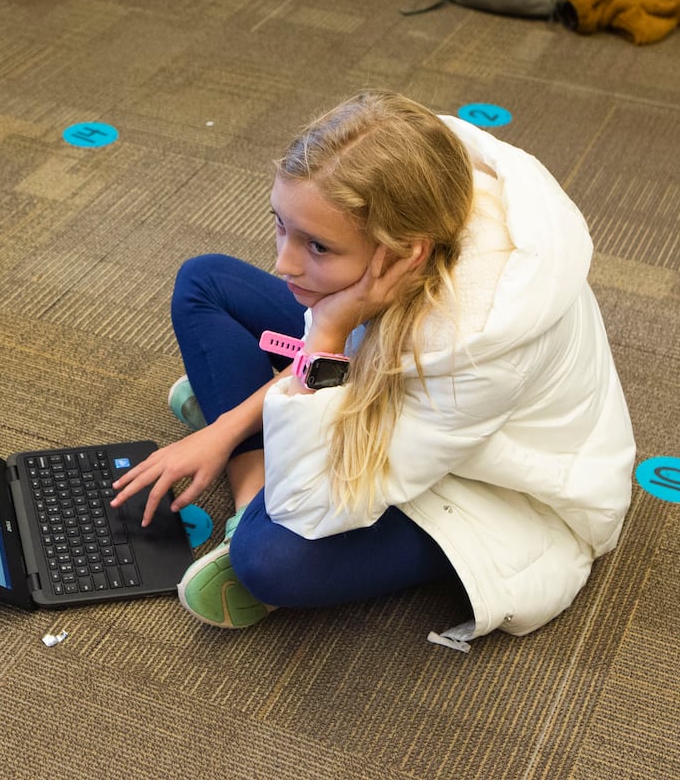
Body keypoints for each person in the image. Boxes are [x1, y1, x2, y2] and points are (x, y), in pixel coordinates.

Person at [110, 91, 636, 640]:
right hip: (386, 359)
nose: (283, 263)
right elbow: (358, 357)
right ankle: (253, 490)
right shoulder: (421, 188)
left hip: (490, 491)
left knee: (267, 558)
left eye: (316, 245)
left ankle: (256, 503)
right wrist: (228, 429)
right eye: (281, 224)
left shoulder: (473, 351)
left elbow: (308, 506)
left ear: (404, 254)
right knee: (206, 280)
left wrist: (333, 329)